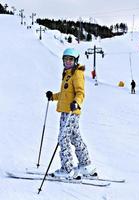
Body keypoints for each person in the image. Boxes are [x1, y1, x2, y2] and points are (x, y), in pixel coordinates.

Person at [46, 48, 96, 179]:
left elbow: (80, 92)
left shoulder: (77, 74)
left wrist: (76, 102)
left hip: (71, 112)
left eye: (71, 60)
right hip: (67, 112)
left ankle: (67, 169)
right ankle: (86, 165)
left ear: (75, 61)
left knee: (63, 138)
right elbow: (64, 94)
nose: (68, 62)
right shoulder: (68, 74)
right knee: (75, 138)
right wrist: (53, 96)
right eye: (66, 59)